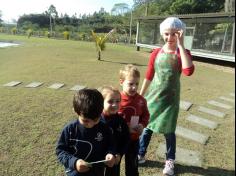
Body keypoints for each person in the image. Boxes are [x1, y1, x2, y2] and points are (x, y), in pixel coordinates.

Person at [138, 17, 195, 175]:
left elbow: (188, 71)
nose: (170, 38)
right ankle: (141, 154)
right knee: (147, 127)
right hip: (154, 97)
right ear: (162, 33)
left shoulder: (183, 53)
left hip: (171, 100)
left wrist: (182, 45)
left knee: (169, 131)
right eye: (167, 34)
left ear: (180, 34)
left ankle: (170, 161)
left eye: (174, 34)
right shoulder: (156, 52)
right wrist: (140, 96)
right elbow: (149, 75)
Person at [56, 88, 116, 176]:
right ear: (76, 112)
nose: (91, 124)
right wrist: (75, 162)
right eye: (86, 121)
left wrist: (111, 153)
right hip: (75, 173)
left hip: (97, 173)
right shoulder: (70, 129)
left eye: (95, 120)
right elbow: (61, 151)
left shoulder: (105, 128)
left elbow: (111, 145)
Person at [118, 64, 150, 176]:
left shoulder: (141, 100)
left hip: (134, 139)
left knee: (132, 165)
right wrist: (124, 127)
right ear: (121, 82)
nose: (134, 87)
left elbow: (146, 115)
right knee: (113, 165)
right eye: (130, 84)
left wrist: (142, 125)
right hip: (118, 140)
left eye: (137, 84)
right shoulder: (117, 100)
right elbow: (110, 117)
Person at [99, 86, 130, 176]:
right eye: (110, 101)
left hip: (115, 159)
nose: (115, 105)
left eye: (117, 101)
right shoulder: (96, 121)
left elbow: (126, 139)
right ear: (102, 102)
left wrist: (120, 154)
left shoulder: (121, 121)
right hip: (99, 159)